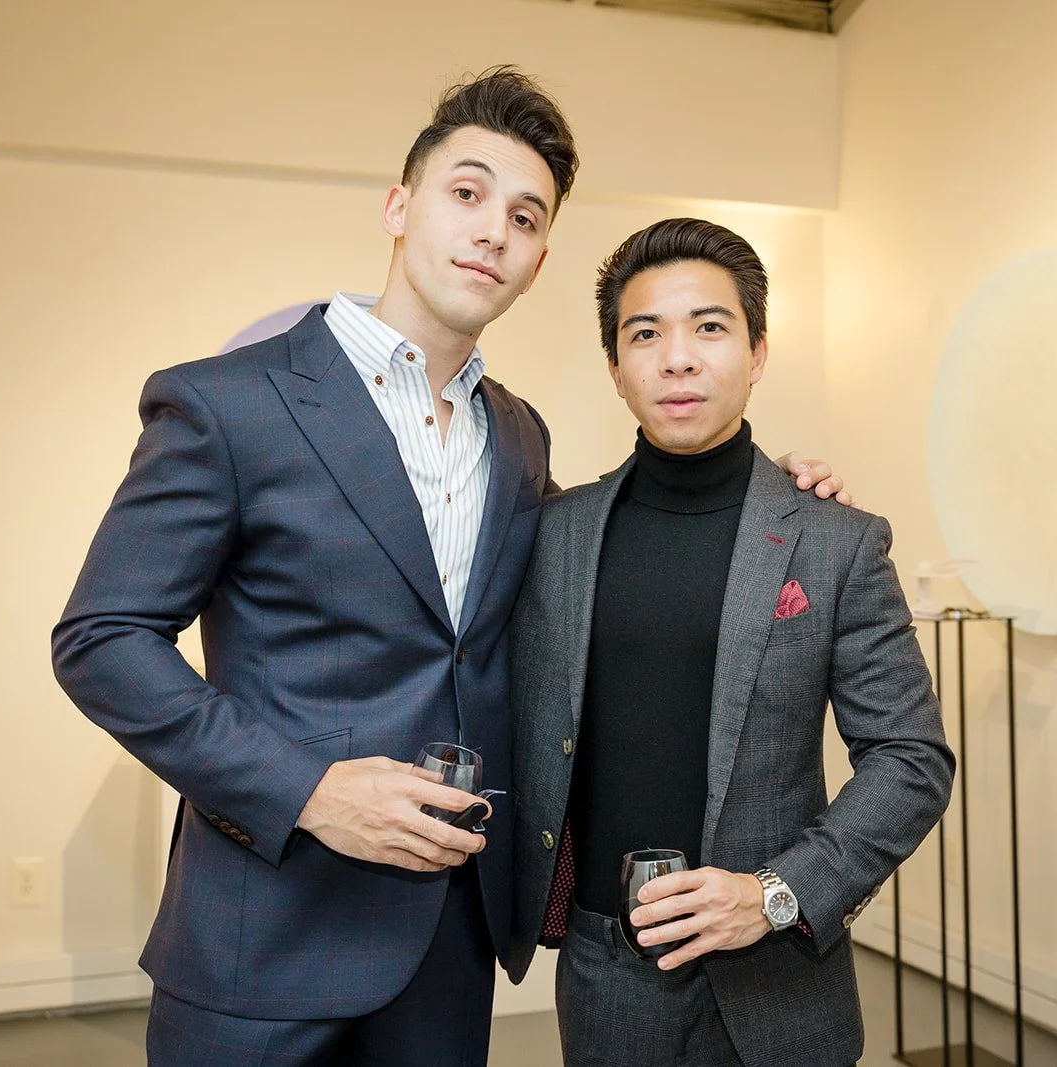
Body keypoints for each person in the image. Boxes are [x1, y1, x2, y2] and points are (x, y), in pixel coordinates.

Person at [52, 70, 845, 1065]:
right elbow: (102, 640)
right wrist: (307, 788)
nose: (492, 231)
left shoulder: (517, 435)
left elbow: (607, 559)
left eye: (524, 217)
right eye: (466, 193)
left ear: (537, 262)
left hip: (448, 938)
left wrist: (773, 497)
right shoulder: (230, 403)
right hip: (266, 935)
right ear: (399, 206)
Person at [505, 217, 955, 1067]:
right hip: (609, 978)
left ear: (757, 353)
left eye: (709, 327)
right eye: (646, 333)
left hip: (780, 981)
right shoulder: (553, 536)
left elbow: (911, 757)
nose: (677, 358)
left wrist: (776, 893)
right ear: (615, 368)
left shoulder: (835, 540)